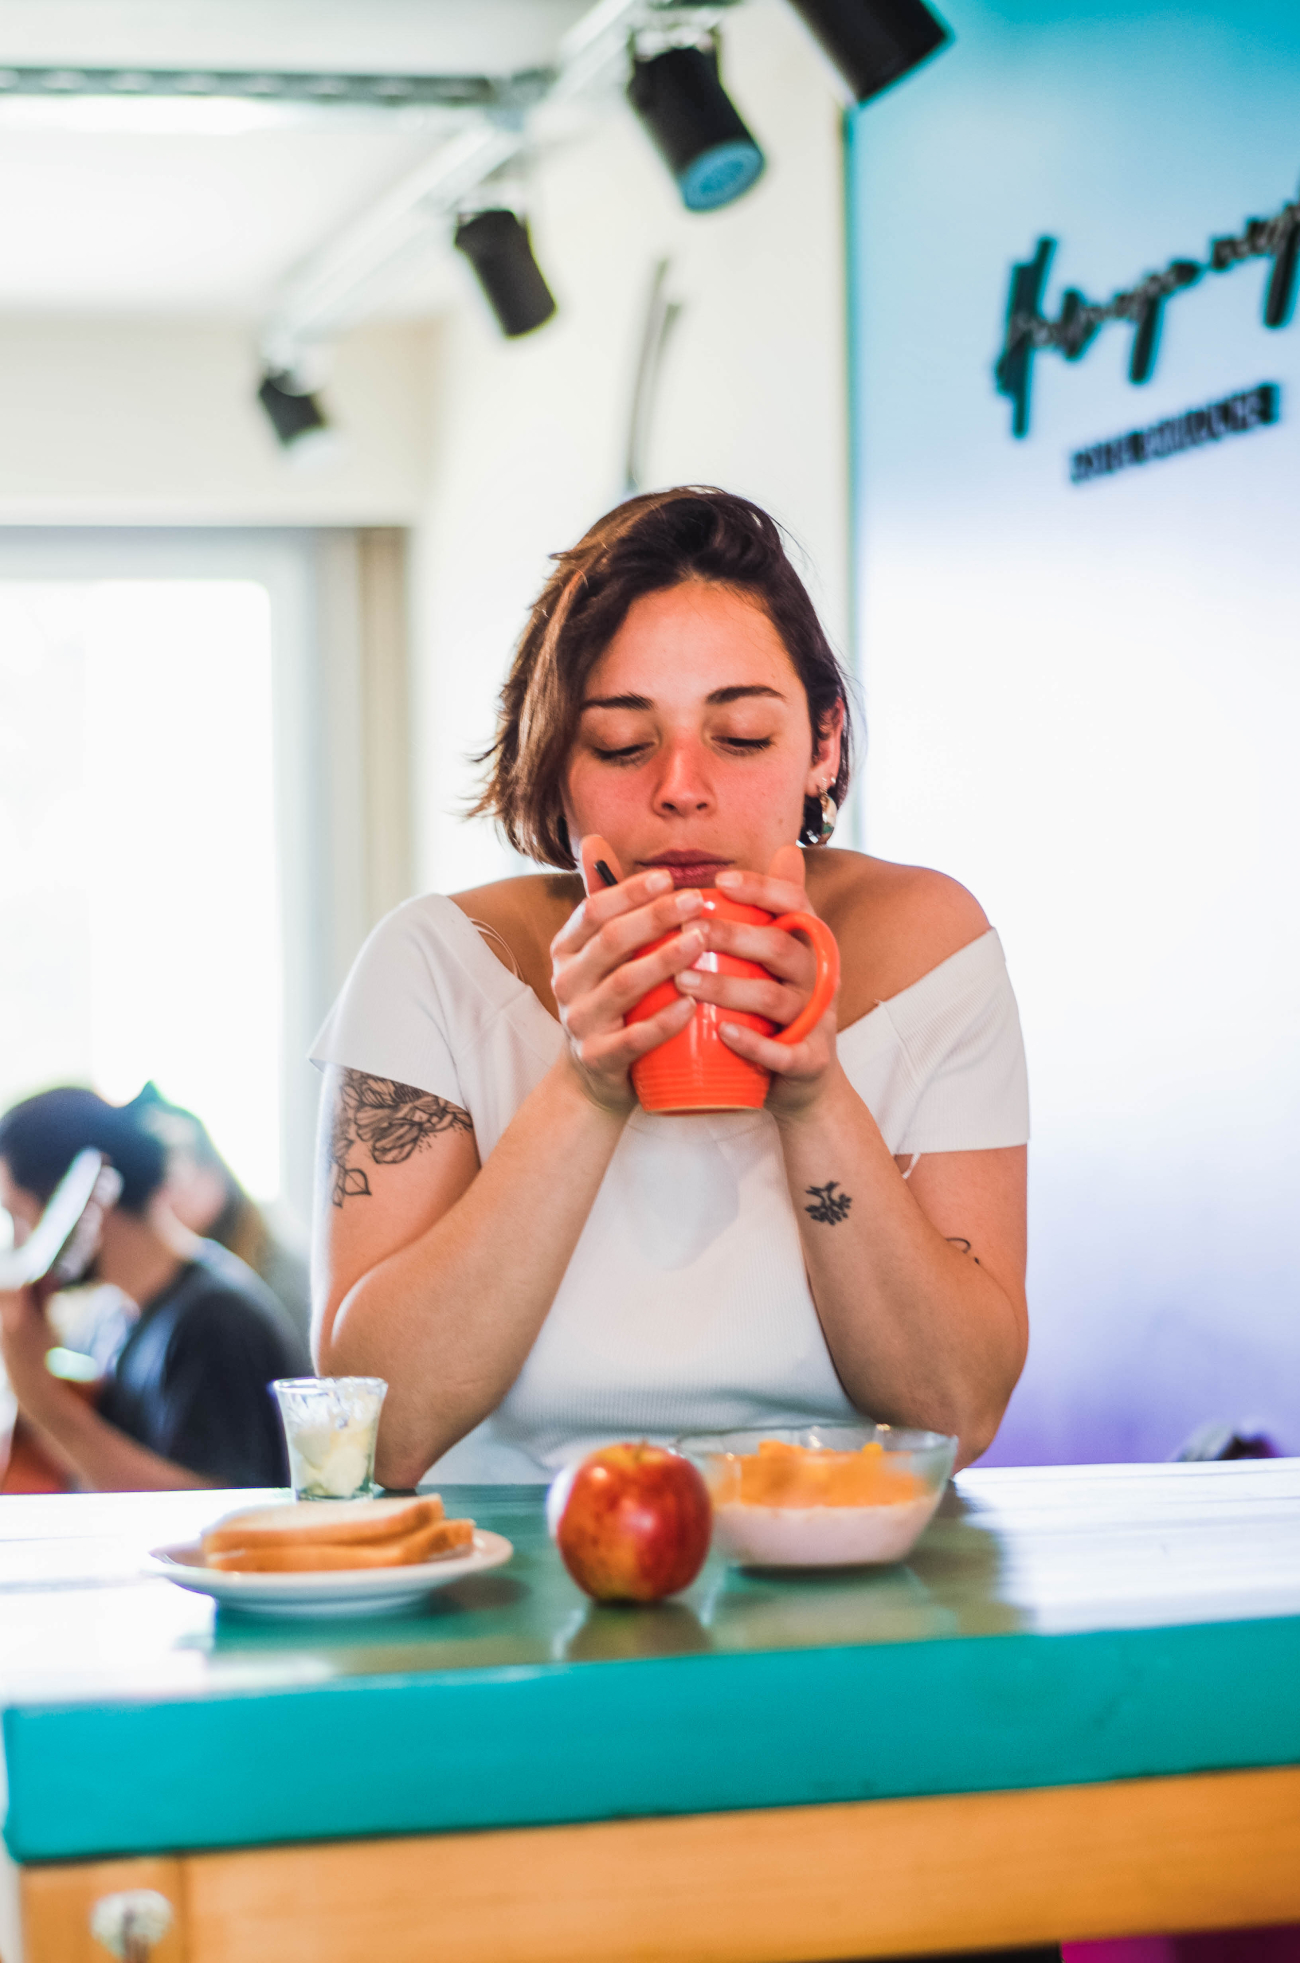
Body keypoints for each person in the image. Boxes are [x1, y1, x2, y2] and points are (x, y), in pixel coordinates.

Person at [311, 487, 1029, 1489]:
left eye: (739, 736)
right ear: (558, 757)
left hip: (835, 1572)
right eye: (620, 742)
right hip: (510, 1586)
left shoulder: (932, 952)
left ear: (821, 745)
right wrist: (586, 1084)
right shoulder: (437, 964)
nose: (680, 787)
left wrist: (814, 1093)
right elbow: (377, 1436)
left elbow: (955, 1408)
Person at [0, 1087, 308, 1490]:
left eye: (19, 1217)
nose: (19, 1246)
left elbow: (213, 1509)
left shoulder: (216, 1320)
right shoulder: (108, 1318)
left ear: (78, 1203)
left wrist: (41, 1398)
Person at [127, 1082, 313, 1350]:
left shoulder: (273, 1274)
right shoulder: (169, 1278)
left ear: (212, 1172)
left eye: (176, 1169)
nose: (165, 1189)